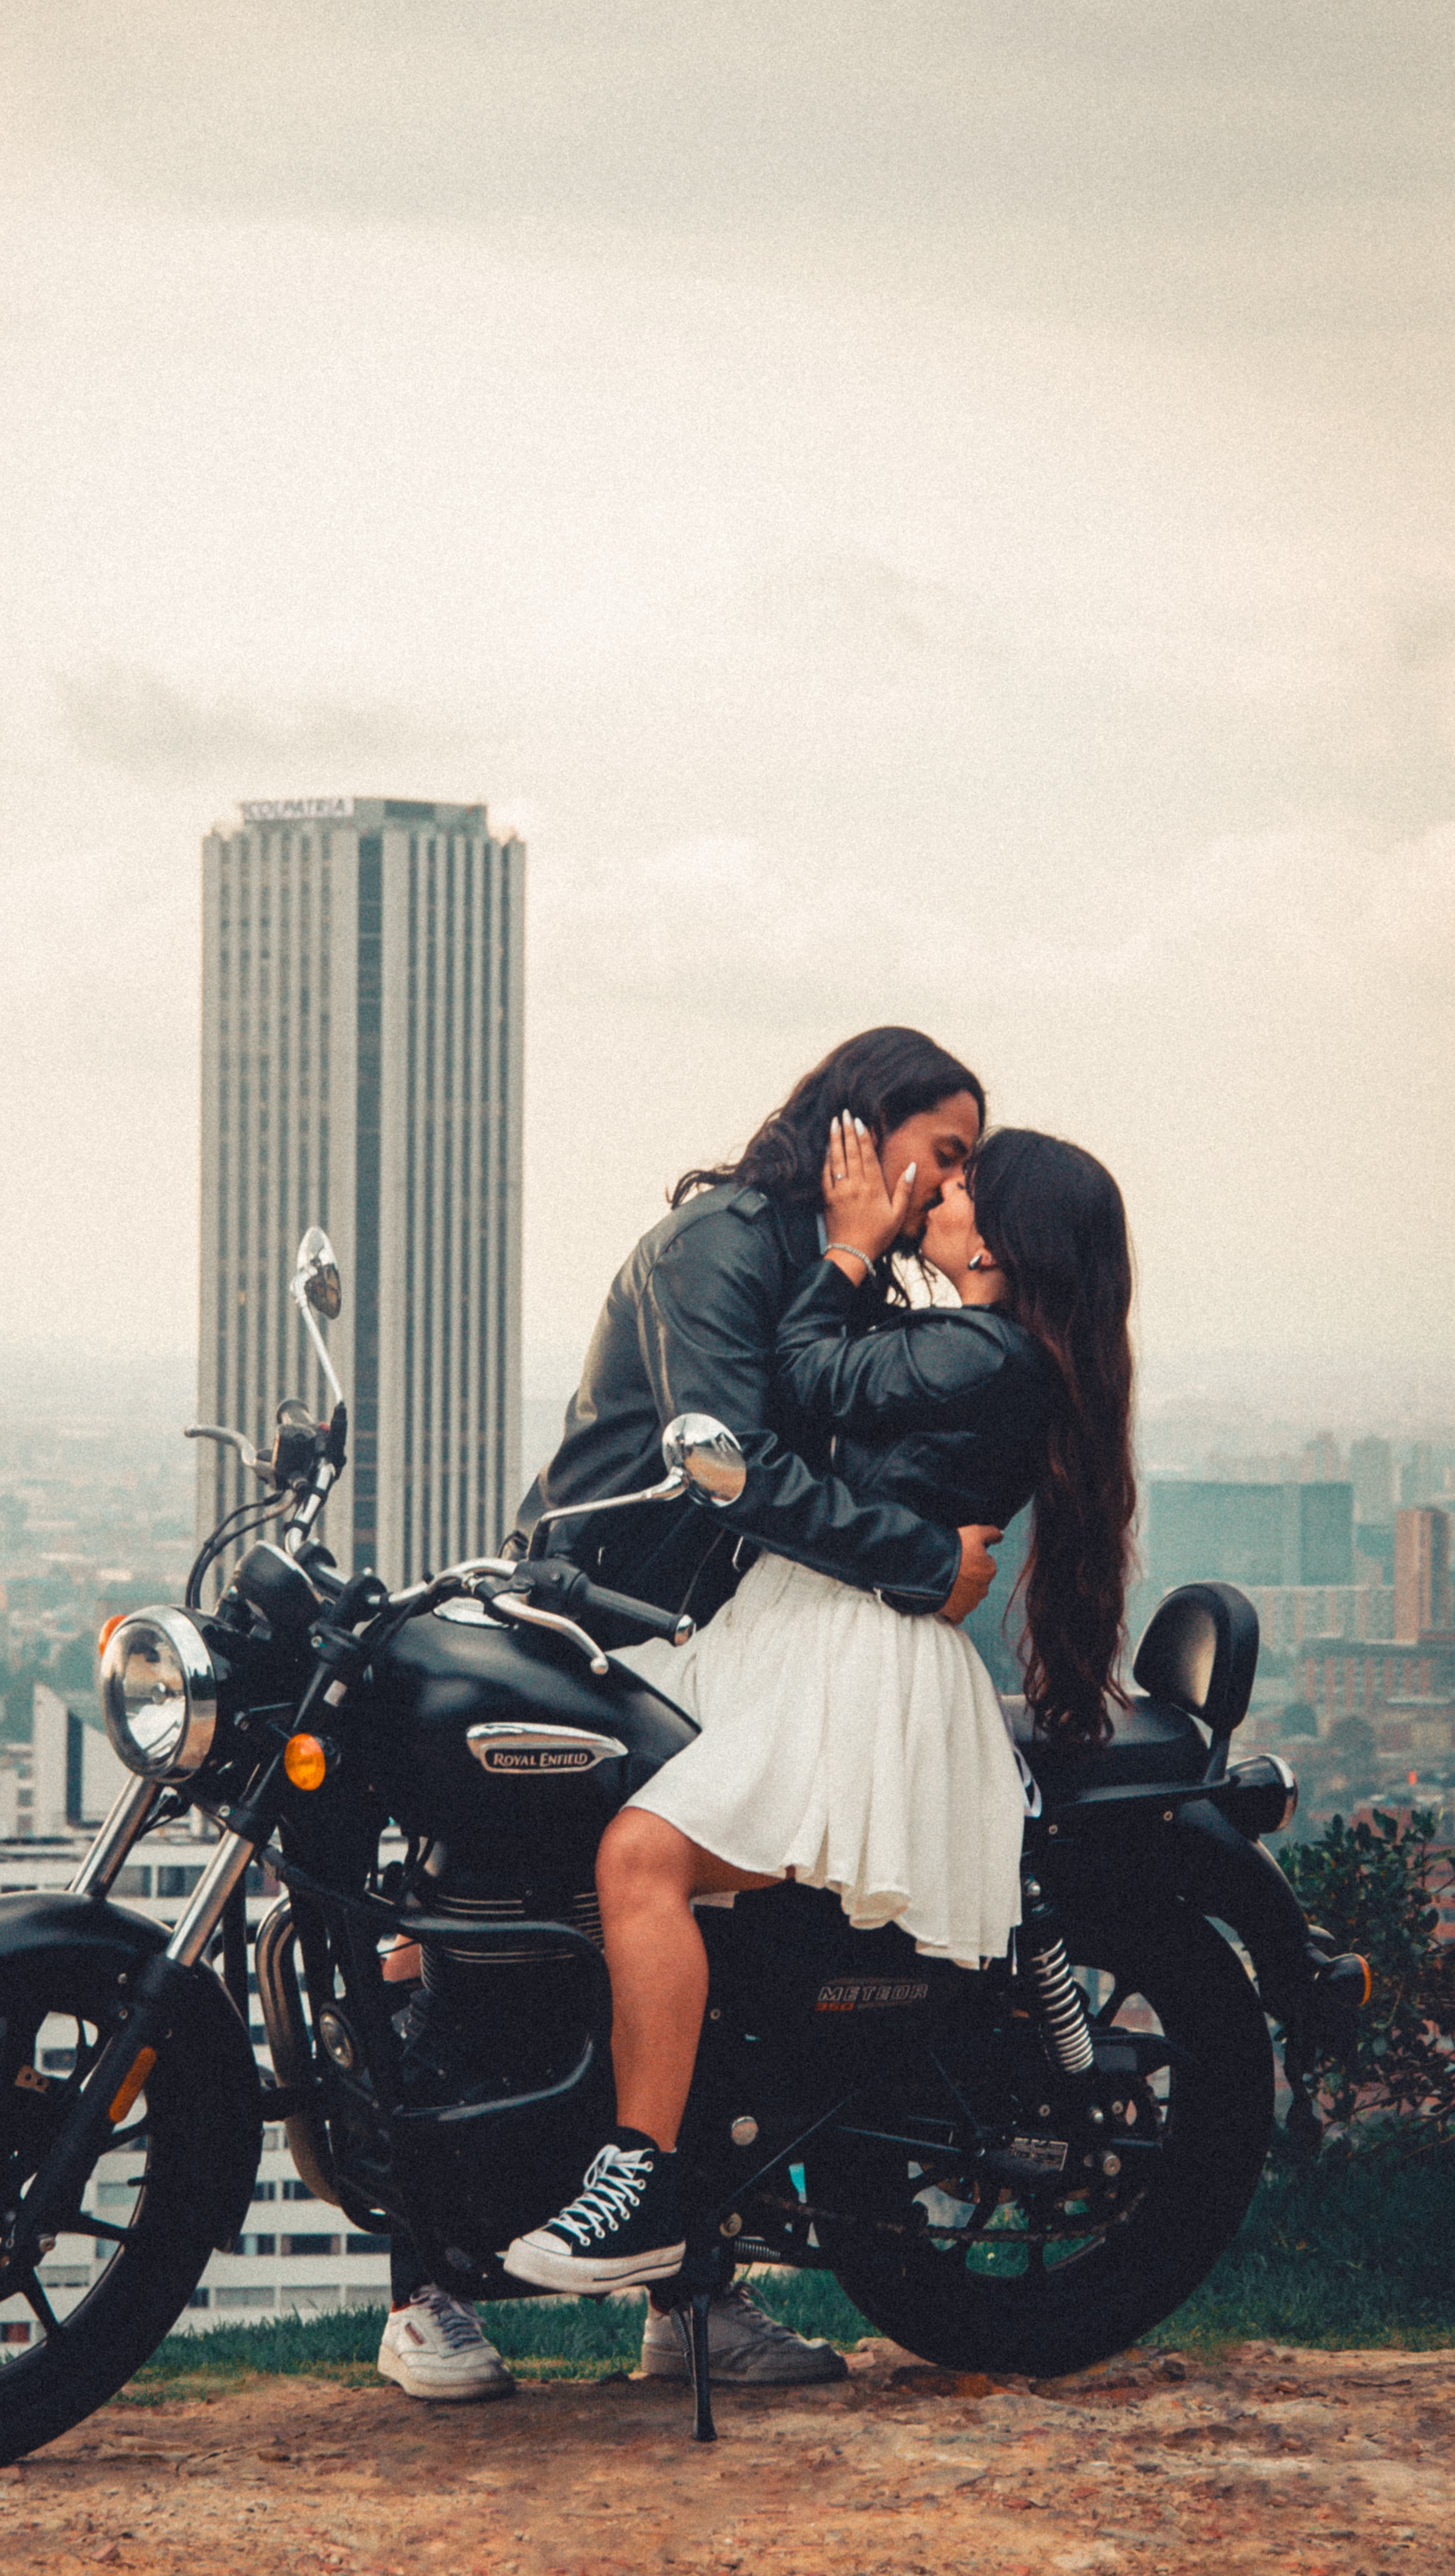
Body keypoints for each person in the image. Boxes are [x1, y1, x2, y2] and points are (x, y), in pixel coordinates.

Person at [378, 1025, 1000, 2402]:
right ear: (861, 1127)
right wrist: (918, 1561)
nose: (956, 1183)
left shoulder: (837, 1271)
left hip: (713, 1638)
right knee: (478, 1924)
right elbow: (744, 1462)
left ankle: (689, 2297)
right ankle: (423, 2276)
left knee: (683, 1922)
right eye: (944, 1151)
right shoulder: (721, 1243)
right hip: (615, 1621)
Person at [501, 1122, 1136, 2296]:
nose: (935, 1193)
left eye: (959, 1186)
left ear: (1001, 1238)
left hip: (853, 1658)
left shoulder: (987, 1354)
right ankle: (690, 2253)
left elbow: (794, 1379)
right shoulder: (974, 1344)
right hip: (795, 1631)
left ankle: (638, 2184)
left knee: (641, 1861)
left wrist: (847, 1251)